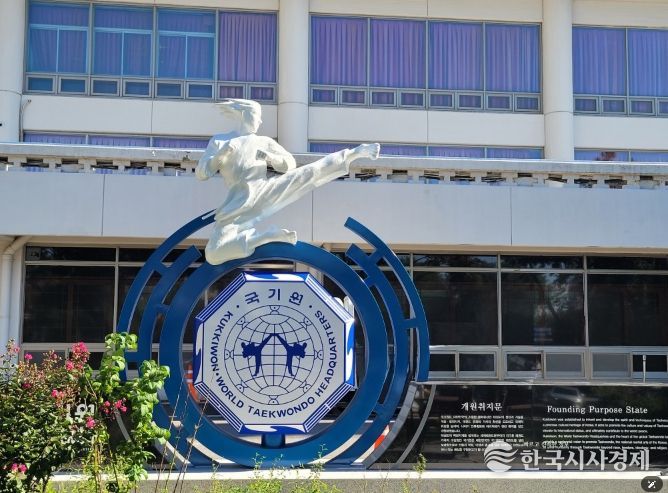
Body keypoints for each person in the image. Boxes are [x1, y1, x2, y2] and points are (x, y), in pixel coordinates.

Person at [196, 99, 380, 265]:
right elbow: (202, 173)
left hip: (263, 191)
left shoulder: (263, 141)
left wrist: (271, 158)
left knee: (308, 173)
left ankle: (354, 153)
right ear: (244, 114)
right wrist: (219, 156)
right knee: (213, 254)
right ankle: (265, 237)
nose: (260, 121)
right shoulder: (220, 141)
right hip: (237, 203)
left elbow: (289, 164)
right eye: (257, 116)